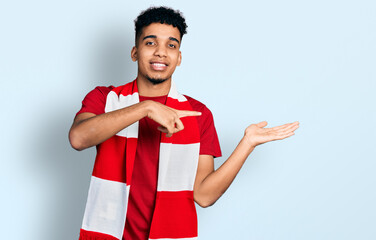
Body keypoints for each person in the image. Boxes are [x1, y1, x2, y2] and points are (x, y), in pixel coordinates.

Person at [69, 6, 299, 240]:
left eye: (171, 45)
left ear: (179, 58)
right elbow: (78, 138)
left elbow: (204, 196)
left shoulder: (197, 114)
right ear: (134, 52)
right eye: (150, 43)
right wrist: (145, 108)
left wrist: (247, 144)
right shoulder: (104, 99)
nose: (161, 52)